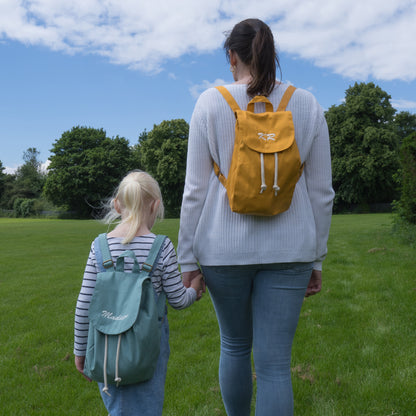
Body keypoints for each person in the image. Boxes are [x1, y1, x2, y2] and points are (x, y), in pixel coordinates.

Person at [178, 18, 334, 416]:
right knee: (276, 366)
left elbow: (194, 190)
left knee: (233, 346)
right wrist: (315, 257)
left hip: (221, 253)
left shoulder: (210, 102)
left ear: (233, 57)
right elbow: (321, 193)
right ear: (270, 54)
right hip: (291, 250)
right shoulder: (308, 104)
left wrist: (186, 261)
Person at [74, 170, 203, 416]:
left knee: (118, 408)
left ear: (117, 205)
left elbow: (83, 304)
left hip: (105, 349)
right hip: (147, 349)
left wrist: (80, 350)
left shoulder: (100, 246)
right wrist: (194, 289)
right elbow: (177, 300)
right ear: (156, 205)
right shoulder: (162, 246)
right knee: (147, 407)